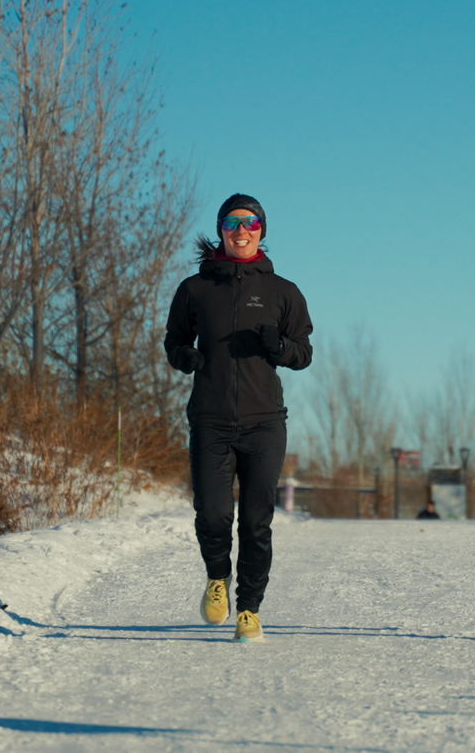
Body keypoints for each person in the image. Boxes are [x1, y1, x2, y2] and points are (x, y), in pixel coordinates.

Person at [165, 193, 313, 643]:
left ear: (262, 230)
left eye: (249, 223)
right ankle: (216, 579)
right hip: (209, 421)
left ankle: (249, 609)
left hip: (265, 423)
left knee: (255, 522)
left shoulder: (283, 291)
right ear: (221, 231)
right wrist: (184, 356)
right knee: (211, 513)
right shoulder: (195, 289)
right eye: (232, 223)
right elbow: (173, 341)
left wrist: (279, 347)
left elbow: (303, 354)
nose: (241, 230)